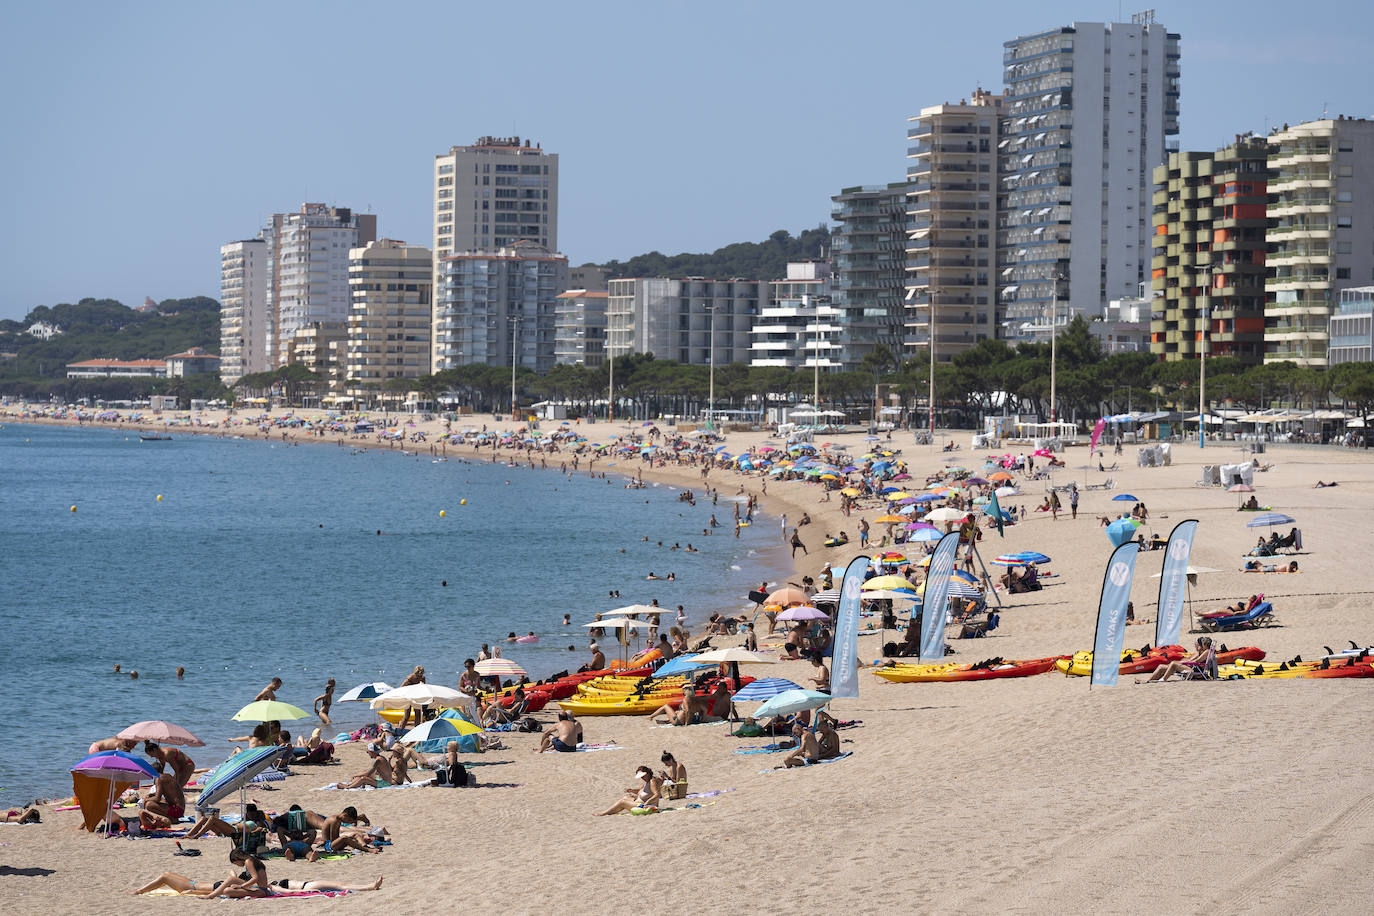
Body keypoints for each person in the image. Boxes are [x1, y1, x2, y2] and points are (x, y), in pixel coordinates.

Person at [132, 847, 273, 898]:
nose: (237, 865)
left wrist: (241, 886)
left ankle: (138, 891)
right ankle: (138, 891)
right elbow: (254, 879)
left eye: (235, 862)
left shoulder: (248, 861)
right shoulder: (253, 862)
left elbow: (254, 879)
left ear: (237, 858)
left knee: (165, 876)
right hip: (211, 885)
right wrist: (237, 880)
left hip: (199, 887)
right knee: (167, 874)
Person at [1139, 637, 1214, 683]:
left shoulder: (1206, 651)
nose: (1196, 646)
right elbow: (1192, 660)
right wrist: (1185, 661)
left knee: (1174, 663)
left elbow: (1196, 661)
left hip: (1196, 671)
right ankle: (1149, 680)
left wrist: (1184, 662)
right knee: (1161, 667)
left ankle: (1163, 679)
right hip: (1192, 668)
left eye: (1199, 644)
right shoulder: (1200, 652)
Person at [594, 765, 662, 816]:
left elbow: (657, 794)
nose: (642, 778)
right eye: (641, 777)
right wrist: (632, 790)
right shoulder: (646, 781)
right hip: (640, 803)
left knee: (622, 802)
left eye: (643, 776)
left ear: (647, 773)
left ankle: (604, 813)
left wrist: (647, 802)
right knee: (626, 797)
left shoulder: (652, 782)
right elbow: (641, 791)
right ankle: (609, 812)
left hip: (646, 806)